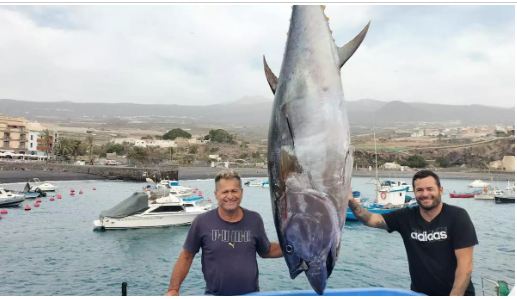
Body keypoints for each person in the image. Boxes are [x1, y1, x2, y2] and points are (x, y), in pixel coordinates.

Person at [348, 169, 478, 296]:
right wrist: (350, 201)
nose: (425, 194)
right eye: (419, 190)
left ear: (440, 190)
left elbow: (465, 267)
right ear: (414, 193)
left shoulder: (457, 217)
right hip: (419, 294)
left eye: (430, 189)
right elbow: (371, 219)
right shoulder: (406, 216)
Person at [165, 169, 283, 296]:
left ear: (241, 192)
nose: (230, 196)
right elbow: (186, 257)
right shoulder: (202, 222)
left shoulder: (254, 219)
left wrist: (297, 247)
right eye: (225, 192)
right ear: (216, 194)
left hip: (251, 295)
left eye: (234, 191)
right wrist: (173, 289)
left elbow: (266, 251)